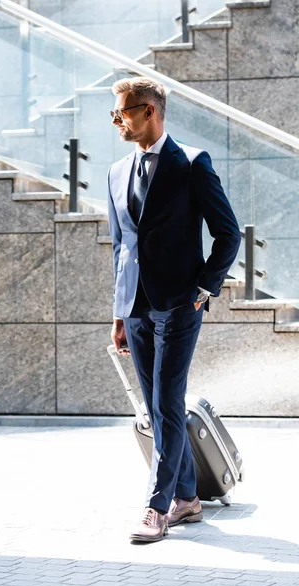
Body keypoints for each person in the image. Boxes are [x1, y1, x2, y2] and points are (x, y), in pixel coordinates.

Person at [108, 77, 241, 543]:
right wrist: (119, 313)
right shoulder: (115, 171)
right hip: (137, 307)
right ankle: (187, 498)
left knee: (166, 403)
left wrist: (204, 289)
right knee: (155, 405)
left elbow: (228, 234)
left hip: (180, 304)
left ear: (149, 111)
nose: (117, 122)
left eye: (122, 113)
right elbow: (122, 246)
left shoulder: (190, 163)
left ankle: (156, 507)